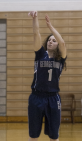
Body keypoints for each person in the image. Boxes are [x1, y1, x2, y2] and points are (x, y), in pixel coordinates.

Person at [28, 11, 67, 141]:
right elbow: (36, 33)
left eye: (53, 40)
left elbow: (63, 43)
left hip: (53, 98)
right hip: (36, 97)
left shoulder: (60, 58)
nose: (51, 41)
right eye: (49, 40)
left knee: (54, 136)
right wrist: (35, 18)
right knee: (33, 136)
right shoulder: (40, 55)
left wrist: (51, 27)